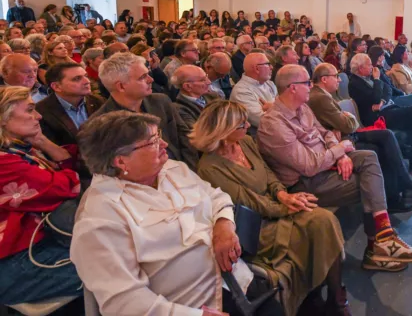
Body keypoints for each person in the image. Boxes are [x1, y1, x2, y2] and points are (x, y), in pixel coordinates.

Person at [71, 111, 278, 316]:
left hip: (238, 282)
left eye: (159, 135)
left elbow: (217, 197)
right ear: (121, 161)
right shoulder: (99, 218)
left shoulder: (172, 169)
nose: (165, 145)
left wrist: (224, 225)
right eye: (152, 141)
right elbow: (124, 301)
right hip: (191, 306)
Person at [259, 65, 412, 272]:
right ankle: (376, 248)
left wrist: (339, 154)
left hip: (325, 164)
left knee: (369, 157)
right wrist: (339, 151)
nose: (311, 86)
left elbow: (326, 132)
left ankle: (383, 235)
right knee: (370, 184)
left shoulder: (302, 107)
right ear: (292, 87)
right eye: (307, 83)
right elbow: (309, 166)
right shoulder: (273, 123)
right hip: (305, 183)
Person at [192, 100, 350, 316]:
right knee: (312, 226)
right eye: (241, 124)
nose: (248, 125)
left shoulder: (245, 142)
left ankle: (335, 298)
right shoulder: (209, 168)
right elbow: (249, 202)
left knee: (324, 220)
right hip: (256, 224)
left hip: (274, 205)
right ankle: (318, 298)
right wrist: (287, 208)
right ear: (224, 130)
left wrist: (284, 194)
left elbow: (267, 173)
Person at [309, 63, 412, 211]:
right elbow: (349, 125)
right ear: (324, 79)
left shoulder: (323, 95)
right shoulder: (320, 97)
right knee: (382, 143)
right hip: (342, 140)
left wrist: (343, 121)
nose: (339, 80)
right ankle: (398, 195)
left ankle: (402, 191)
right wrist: (347, 117)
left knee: (387, 136)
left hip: (346, 135)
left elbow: (346, 122)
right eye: (336, 77)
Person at [0, 86, 82, 306]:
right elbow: (67, 186)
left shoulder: (20, 149)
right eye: (29, 110)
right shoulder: (4, 162)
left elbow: (70, 162)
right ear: (4, 119)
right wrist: (67, 173)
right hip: (14, 262)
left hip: (40, 244)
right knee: (115, 266)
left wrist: (43, 141)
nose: (38, 116)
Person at [93, 52, 198, 170]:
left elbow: (185, 139)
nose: (151, 79)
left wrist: (190, 171)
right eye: (143, 77)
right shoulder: (101, 123)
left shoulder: (161, 101)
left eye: (148, 74)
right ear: (121, 86)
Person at [36, 62, 104, 147]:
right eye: (77, 79)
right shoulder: (41, 112)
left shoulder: (97, 101)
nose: (87, 81)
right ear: (57, 86)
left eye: (86, 76)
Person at [231, 52, 277, 129]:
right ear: (257, 68)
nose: (271, 67)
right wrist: (276, 107)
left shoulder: (269, 84)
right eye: (268, 64)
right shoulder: (241, 91)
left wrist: (273, 108)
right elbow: (263, 121)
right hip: (257, 137)